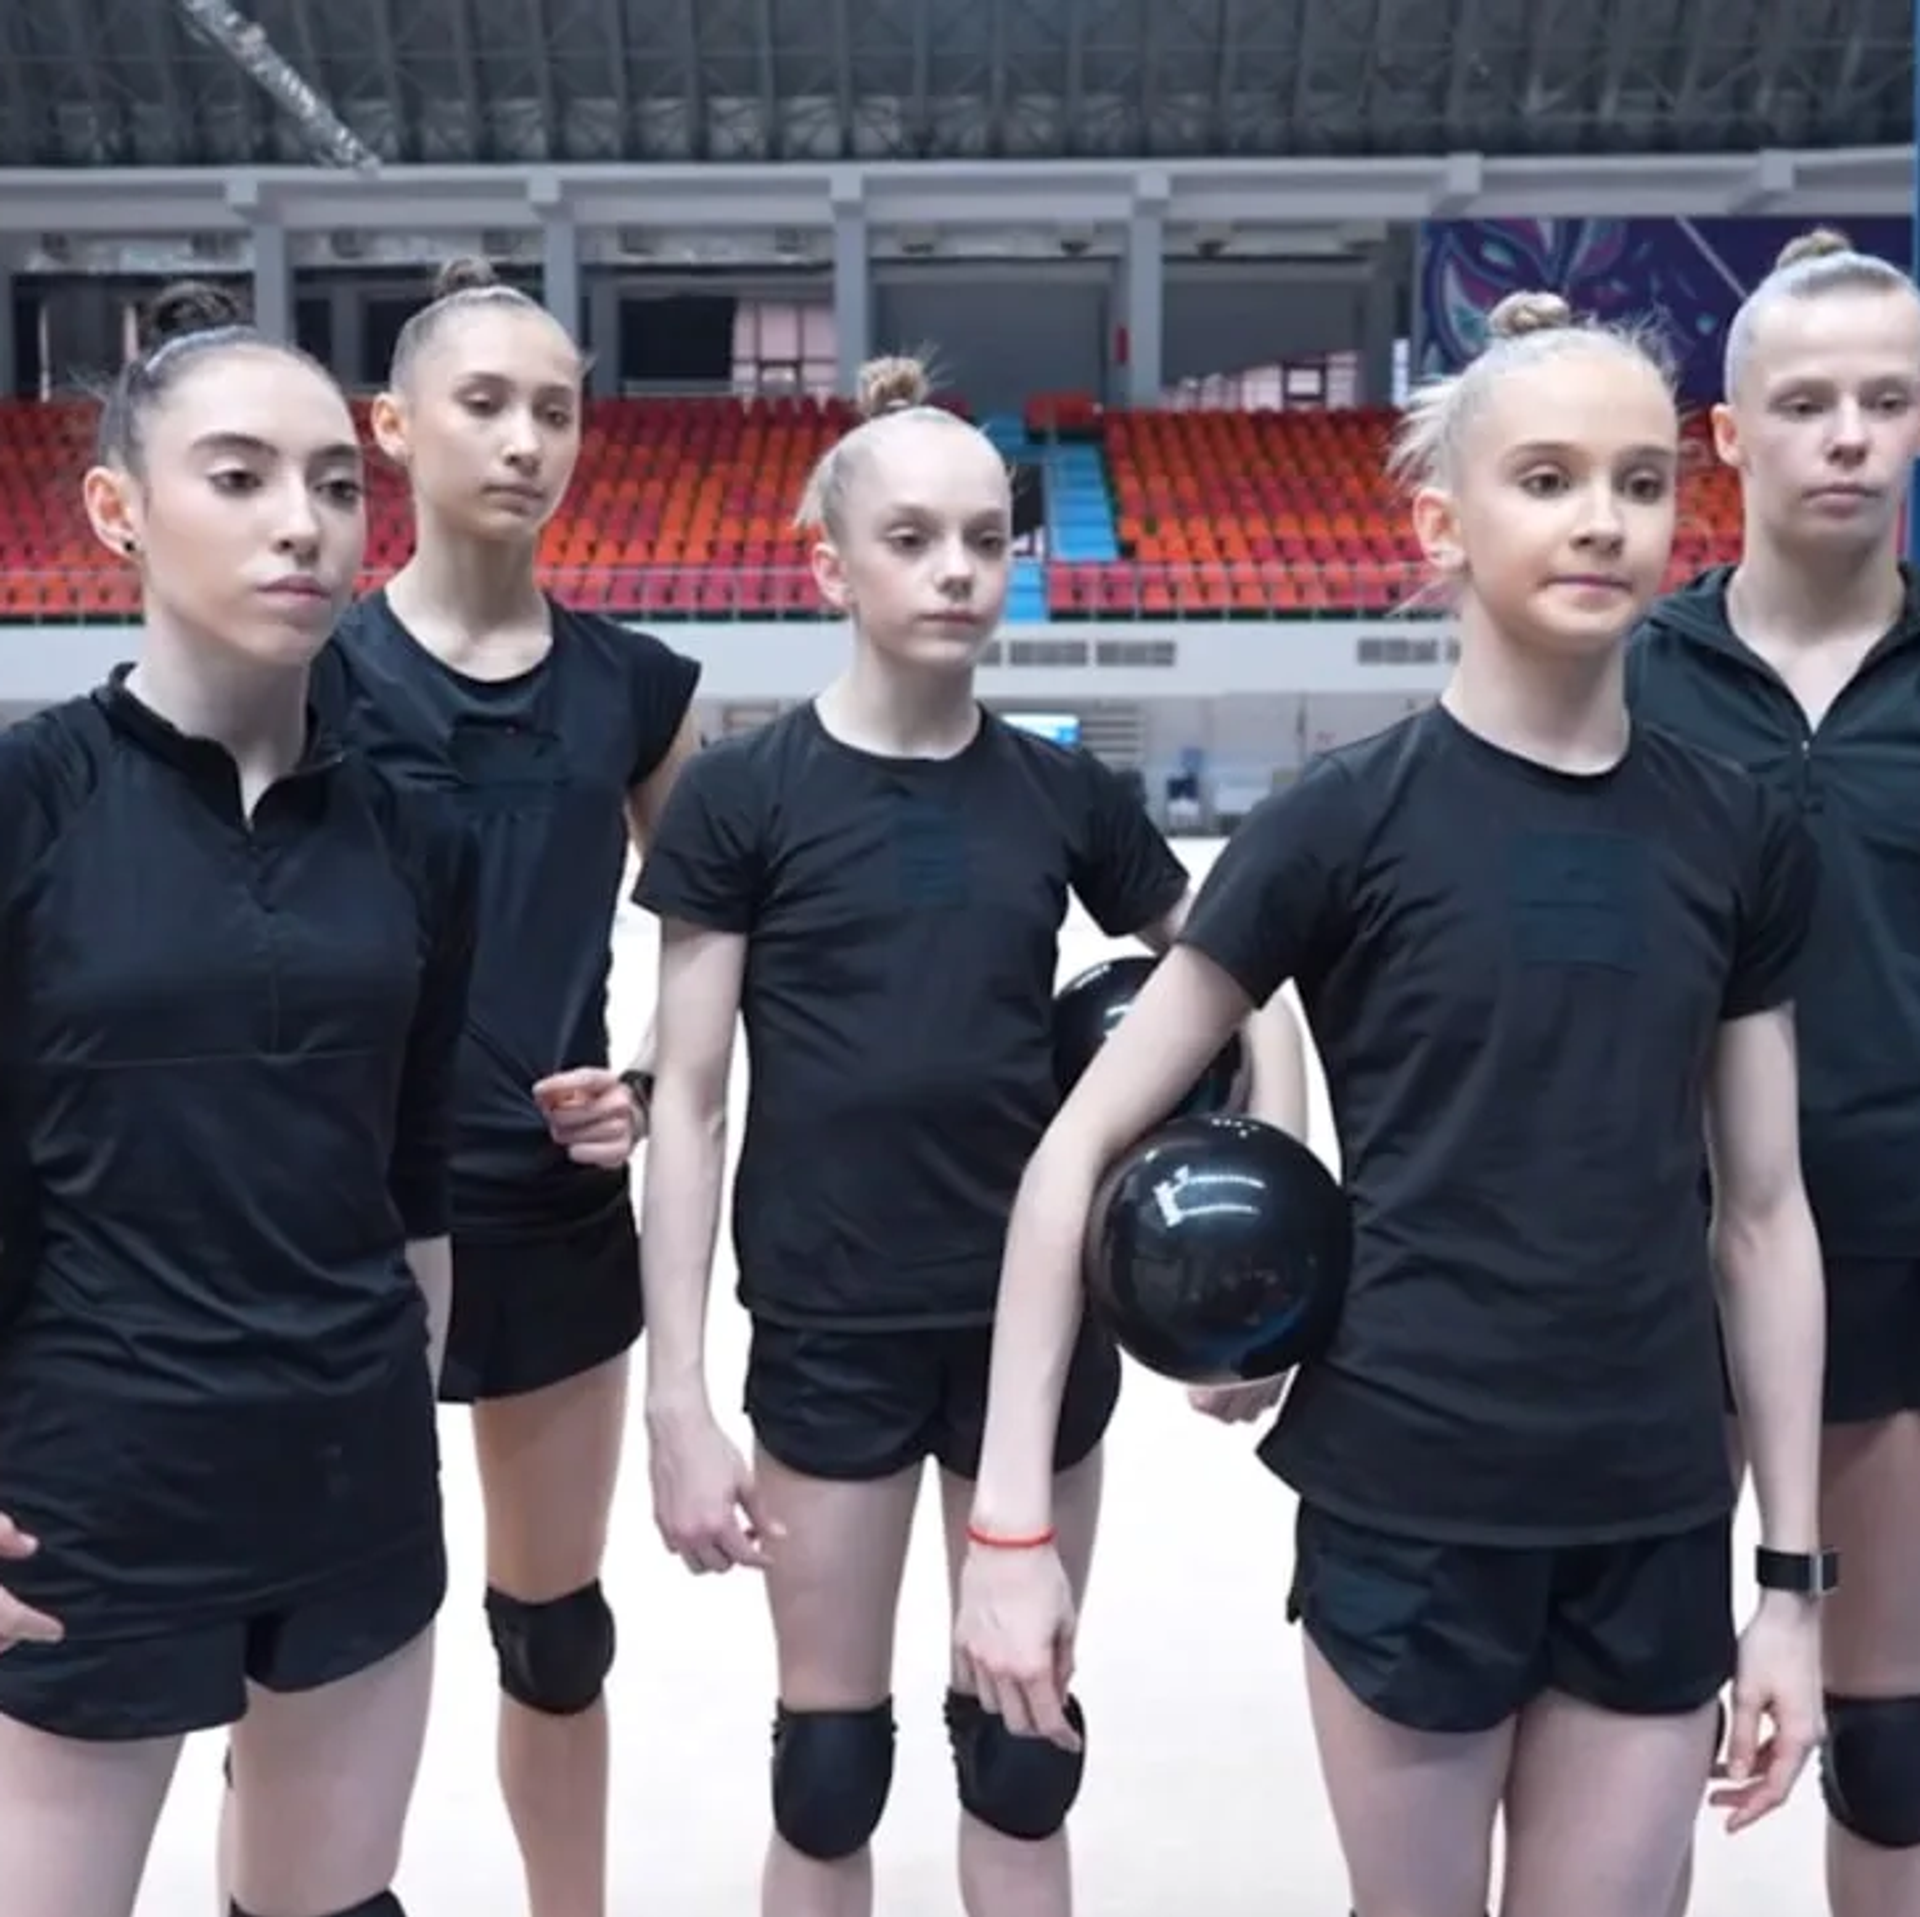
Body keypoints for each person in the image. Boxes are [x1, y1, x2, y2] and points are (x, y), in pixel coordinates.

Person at [952, 292, 1834, 1917]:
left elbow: (1765, 1220)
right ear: (1442, 522)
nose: (1602, 518)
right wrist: (1011, 1530)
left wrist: (1790, 1580)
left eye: (1641, 482)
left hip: (1650, 1503)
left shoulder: (1739, 830)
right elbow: (1078, 1148)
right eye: (1548, 478)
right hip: (1407, 1500)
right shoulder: (1342, 824)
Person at [632, 353, 1305, 1917]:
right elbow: (693, 1100)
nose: (955, 570)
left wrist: (1268, 1195)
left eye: (986, 539)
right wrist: (675, 1396)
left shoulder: (1065, 795)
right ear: (830, 569)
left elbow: (1239, 981)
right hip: (831, 1328)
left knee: (1023, 1752)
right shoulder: (741, 798)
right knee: (827, 1770)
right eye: (913, 539)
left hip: (1036, 1326)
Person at [0, 280, 475, 1917]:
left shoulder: (416, 834)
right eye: (240, 476)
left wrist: (405, 1420)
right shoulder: (28, 804)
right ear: (117, 512)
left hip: (354, 1477)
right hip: (90, 1488)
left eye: (337, 484)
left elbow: (416, 1169)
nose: (304, 524)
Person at [309, 257, 701, 1917]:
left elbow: (710, 957)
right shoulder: (313, 671)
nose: (528, 440)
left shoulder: (638, 690)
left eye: (556, 408)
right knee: (314, 1634)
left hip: (548, 1211)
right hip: (337, 1227)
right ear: (394, 427)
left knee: (554, 1634)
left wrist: (644, 1081)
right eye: (485, 404)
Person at [1629, 228, 1920, 1917]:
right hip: (1657, 1267)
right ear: (1731, 435)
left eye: (1888, 399)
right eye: (1807, 404)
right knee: (1634, 1742)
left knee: (1890, 1749)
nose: (1851, 436)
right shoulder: (1633, 678)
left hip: (1896, 1258)